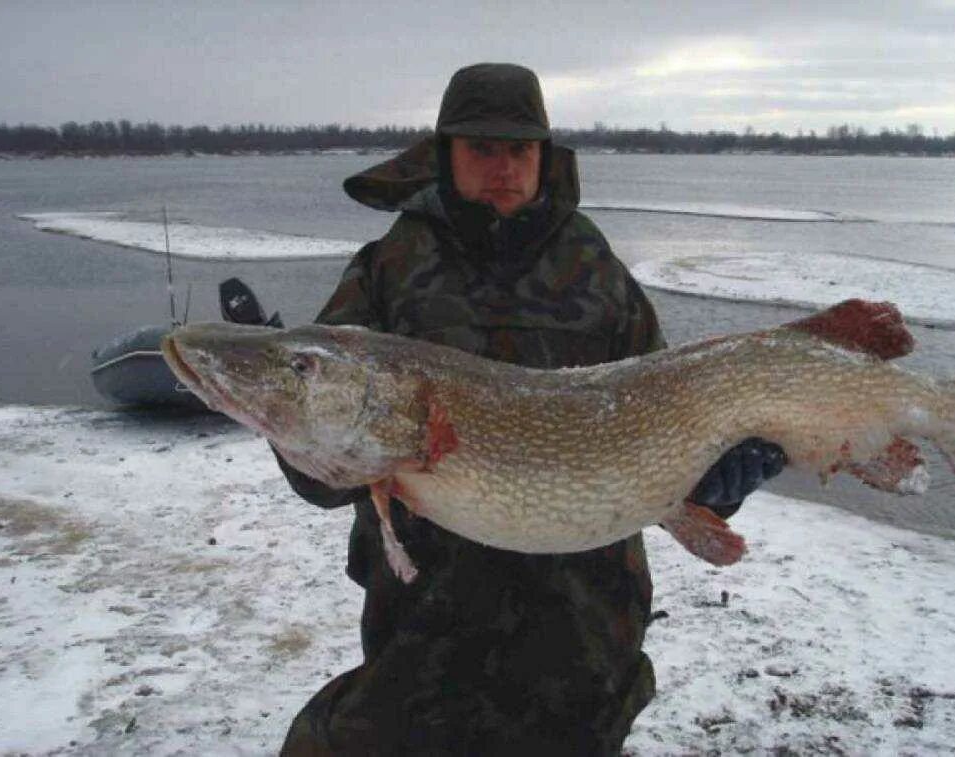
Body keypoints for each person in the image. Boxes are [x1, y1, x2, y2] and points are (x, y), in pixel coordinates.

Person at [274, 63, 785, 756]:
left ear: (545, 155)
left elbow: (665, 416)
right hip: (427, 620)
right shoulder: (391, 266)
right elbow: (321, 457)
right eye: (483, 148)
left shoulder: (595, 268)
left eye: (521, 148)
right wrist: (304, 443)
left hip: (582, 623)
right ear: (446, 150)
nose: (505, 167)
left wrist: (712, 481)